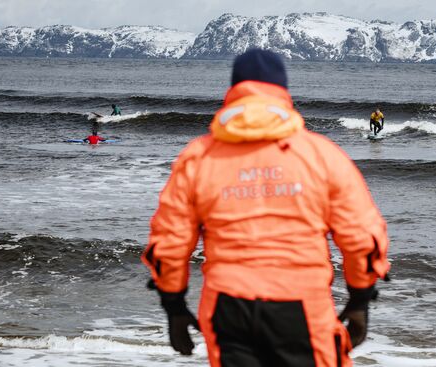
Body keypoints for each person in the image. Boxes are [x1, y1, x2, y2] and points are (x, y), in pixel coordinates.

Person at [142, 49, 390, 367]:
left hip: (227, 306)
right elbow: (362, 236)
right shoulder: (321, 155)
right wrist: (359, 300)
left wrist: (174, 306)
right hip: (300, 303)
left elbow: (169, 242)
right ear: (283, 93)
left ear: (233, 92)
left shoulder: (199, 157)